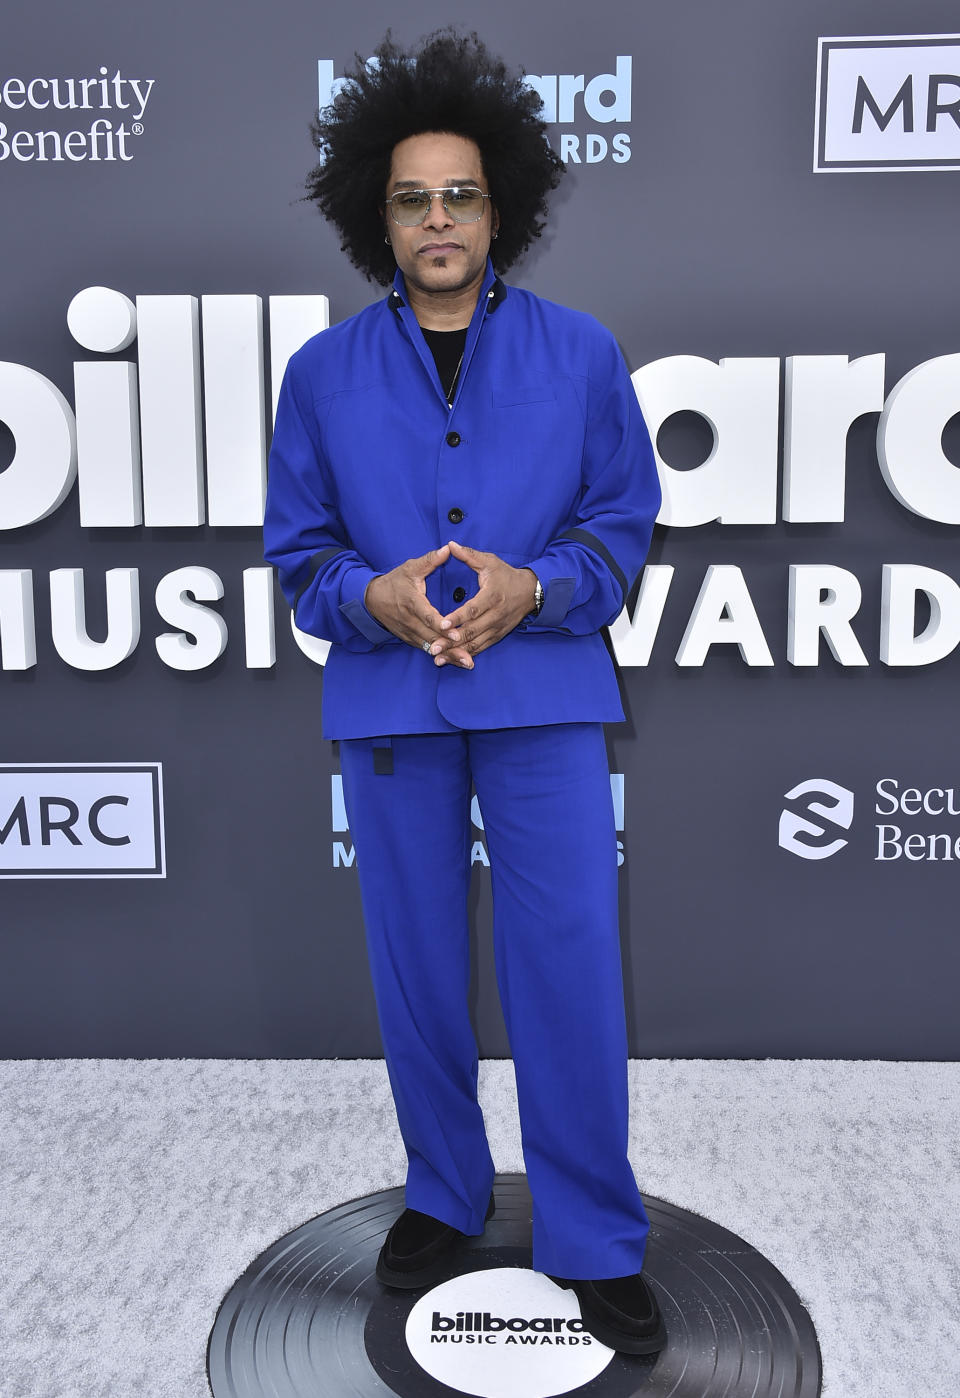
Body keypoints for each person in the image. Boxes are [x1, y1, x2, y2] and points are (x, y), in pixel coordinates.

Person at [263, 29, 665, 1355]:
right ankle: (442, 1190)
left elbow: (620, 528)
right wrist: (367, 599)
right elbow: (301, 554)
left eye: (463, 195)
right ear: (373, 212)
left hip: (546, 702)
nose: (438, 219)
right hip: (389, 713)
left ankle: (594, 1235)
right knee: (420, 972)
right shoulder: (320, 377)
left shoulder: (585, 351)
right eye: (412, 197)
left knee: (569, 972)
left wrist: (533, 590)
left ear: (504, 209)